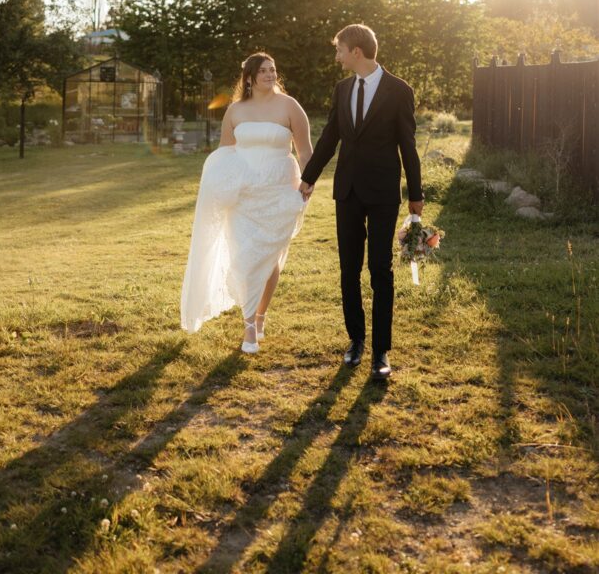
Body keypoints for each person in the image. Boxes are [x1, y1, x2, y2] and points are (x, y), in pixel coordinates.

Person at [299, 24, 423, 379]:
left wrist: (416, 194)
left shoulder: (399, 90)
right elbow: (330, 137)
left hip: (383, 193)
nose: (337, 56)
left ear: (356, 51)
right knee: (349, 269)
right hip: (348, 191)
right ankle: (356, 341)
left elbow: (408, 145)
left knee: (380, 269)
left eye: (339, 50)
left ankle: (381, 351)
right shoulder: (342, 89)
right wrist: (309, 177)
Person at [181, 53, 313, 353]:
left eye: (273, 70)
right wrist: (219, 188)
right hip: (244, 194)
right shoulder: (235, 110)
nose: (270, 74)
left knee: (270, 257)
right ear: (250, 77)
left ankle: (260, 314)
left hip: (280, 190)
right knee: (245, 257)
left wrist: (309, 180)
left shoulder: (290, 106)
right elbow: (225, 153)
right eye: (263, 71)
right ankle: (249, 324)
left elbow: (305, 151)